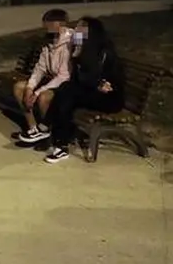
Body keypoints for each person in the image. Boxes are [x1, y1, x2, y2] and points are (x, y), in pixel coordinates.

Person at [44, 17, 124, 163]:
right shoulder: (82, 50)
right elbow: (80, 81)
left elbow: (99, 80)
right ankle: (59, 142)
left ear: (91, 33)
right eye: (77, 27)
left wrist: (100, 83)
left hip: (109, 99)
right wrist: (76, 56)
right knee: (66, 93)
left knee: (67, 93)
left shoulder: (104, 53)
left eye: (81, 28)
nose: (76, 31)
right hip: (91, 92)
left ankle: (47, 130)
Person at [13, 9, 73, 144]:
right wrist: (30, 88)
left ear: (61, 24)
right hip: (51, 80)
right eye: (46, 23)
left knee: (44, 97)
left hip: (65, 84)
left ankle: (51, 135)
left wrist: (37, 91)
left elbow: (64, 76)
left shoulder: (71, 42)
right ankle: (33, 129)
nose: (46, 26)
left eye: (50, 23)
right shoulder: (49, 41)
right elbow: (40, 68)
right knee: (19, 87)